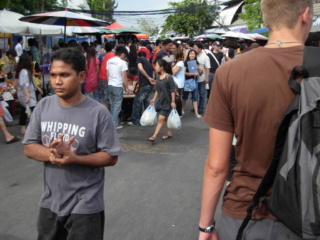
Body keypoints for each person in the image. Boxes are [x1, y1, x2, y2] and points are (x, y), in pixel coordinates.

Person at [198, 0, 314, 240]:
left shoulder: (231, 72)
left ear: (265, 20)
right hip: (311, 210)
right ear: (306, 15)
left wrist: (206, 226)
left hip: (247, 211)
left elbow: (217, 166)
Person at [22, 47, 121, 240]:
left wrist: (75, 158)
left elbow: (111, 156)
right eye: (53, 75)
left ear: (81, 76)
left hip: (85, 206)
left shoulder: (98, 113)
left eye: (65, 75)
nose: (57, 81)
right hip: (49, 203)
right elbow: (29, 147)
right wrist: (51, 154)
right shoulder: (44, 105)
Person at [148, 59, 176, 142]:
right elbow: (157, 90)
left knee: (160, 119)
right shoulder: (158, 77)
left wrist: (173, 101)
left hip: (168, 102)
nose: (155, 67)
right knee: (165, 118)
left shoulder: (169, 77)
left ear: (162, 67)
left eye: (156, 65)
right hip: (161, 101)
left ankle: (154, 136)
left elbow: (172, 90)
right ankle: (169, 133)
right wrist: (154, 99)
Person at [127, 51, 155, 126]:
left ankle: (135, 121)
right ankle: (147, 120)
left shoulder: (139, 60)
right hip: (149, 85)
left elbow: (141, 69)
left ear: (138, 56)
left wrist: (148, 78)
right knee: (146, 103)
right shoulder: (148, 62)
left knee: (137, 103)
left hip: (144, 84)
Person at [107, 46, 129, 129]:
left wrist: (109, 81)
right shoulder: (122, 62)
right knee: (117, 105)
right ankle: (114, 123)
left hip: (110, 84)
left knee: (112, 104)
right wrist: (126, 87)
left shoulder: (109, 61)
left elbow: (107, 74)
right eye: (125, 55)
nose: (124, 57)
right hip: (117, 85)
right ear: (122, 53)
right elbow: (124, 76)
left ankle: (113, 121)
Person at [16, 53, 37, 135]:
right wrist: (28, 96)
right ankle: (33, 129)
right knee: (33, 111)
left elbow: (31, 82)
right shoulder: (24, 71)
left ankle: (23, 128)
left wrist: (38, 88)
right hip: (26, 94)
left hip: (26, 94)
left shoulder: (25, 71)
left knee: (24, 111)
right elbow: (24, 85)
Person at [182, 49, 203, 119]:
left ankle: (196, 113)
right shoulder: (186, 62)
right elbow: (184, 73)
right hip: (187, 81)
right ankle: (182, 110)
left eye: (193, 54)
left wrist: (200, 70)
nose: (192, 55)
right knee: (185, 96)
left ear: (195, 55)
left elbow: (200, 74)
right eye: (191, 54)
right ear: (188, 55)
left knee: (195, 97)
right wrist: (194, 73)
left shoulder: (196, 62)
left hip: (194, 80)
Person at [194, 42, 210, 114]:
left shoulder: (205, 57)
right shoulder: (194, 55)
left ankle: (201, 107)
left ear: (200, 48)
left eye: (195, 48)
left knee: (202, 94)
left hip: (202, 78)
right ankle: (195, 107)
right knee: (195, 94)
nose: (194, 49)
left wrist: (207, 77)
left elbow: (207, 68)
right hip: (194, 77)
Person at [98, 42, 115, 109]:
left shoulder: (101, 56)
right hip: (106, 78)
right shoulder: (112, 55)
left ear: (105, 48)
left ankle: (100, 113)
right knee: (106, 98)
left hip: (101, 77)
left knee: (102, 97)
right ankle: (105, 115)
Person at [172, 49, 185, 117]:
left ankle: (178, 113)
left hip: (178, 83)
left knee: (177, 98)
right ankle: (178, 113)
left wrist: (168, 69)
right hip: (177, 83)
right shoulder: (178, 63)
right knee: (178, 98)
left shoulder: (180, 63)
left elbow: (174, 72)